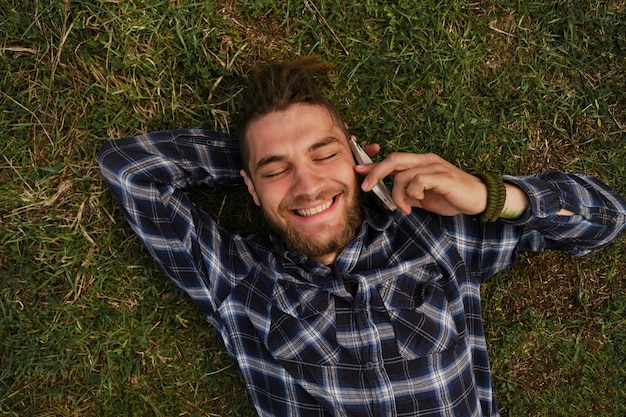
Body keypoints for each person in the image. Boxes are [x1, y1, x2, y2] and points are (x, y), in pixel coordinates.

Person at [99, 56, 626, 417]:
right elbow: (131, 171)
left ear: (356, 160)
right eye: (276, 170)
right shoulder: (238, 281)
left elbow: (606, 220)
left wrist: (492, 195)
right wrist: (253, 158)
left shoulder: (433, 236)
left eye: (324, 155)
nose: (307, 186)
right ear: (250, 191)